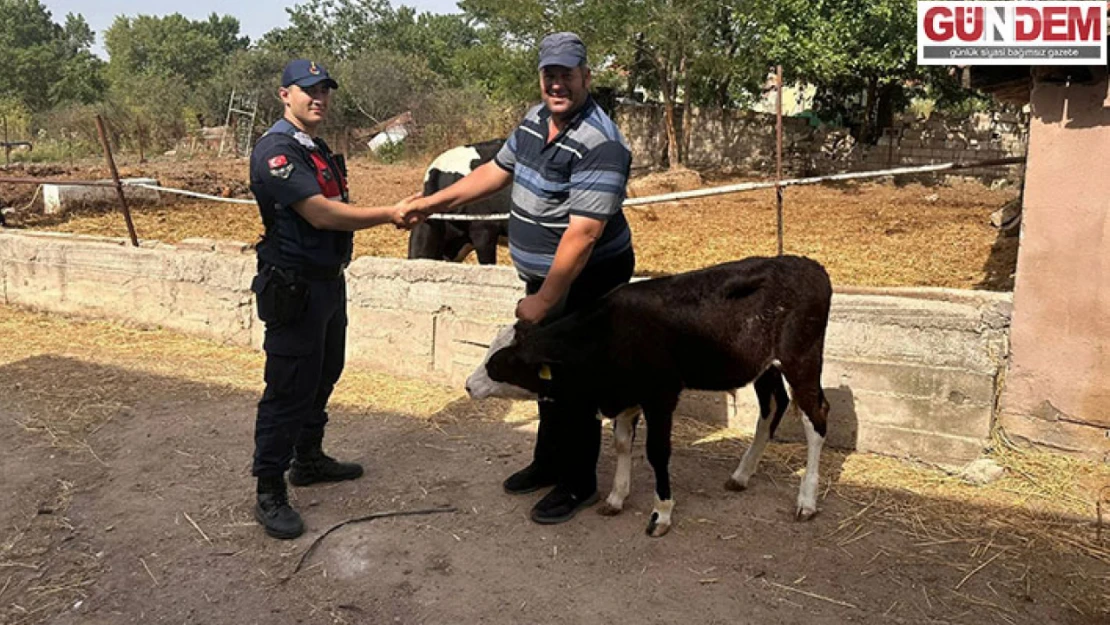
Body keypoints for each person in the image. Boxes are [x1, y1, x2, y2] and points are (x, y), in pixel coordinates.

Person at [400, 33, 636, 525]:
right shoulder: (534, 119)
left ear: (586, 77)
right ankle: (548, 461)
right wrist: (431, 203)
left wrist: (545, 298)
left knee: (573, 378)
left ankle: (578, 482)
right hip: (546, 276)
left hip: (587, 277)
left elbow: (585, 233)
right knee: (543, 371)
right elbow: (495, 172)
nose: (557, 83)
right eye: (549, 74)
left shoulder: (602, 143)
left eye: (567, 74)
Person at [248, 59, 415, 539]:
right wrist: (390, 213)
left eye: (324, 89)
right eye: (308, 89)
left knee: (325, 371)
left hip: (326, 281)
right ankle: (269, 489)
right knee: (288, 386)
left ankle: (309, 458)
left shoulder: (312, 146)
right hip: (294, 285)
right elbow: (320, 214)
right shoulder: (276, 152)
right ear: (285, 94)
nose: (318, 97)